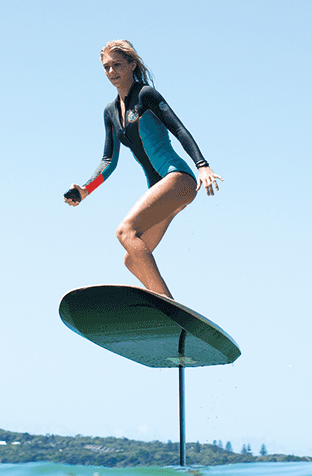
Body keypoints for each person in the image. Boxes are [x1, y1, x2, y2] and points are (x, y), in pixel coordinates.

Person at [64, 40, 221, 298]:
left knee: (125, 231)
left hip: (177, 179)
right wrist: (85, 190)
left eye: (117, 65)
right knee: (132, 259)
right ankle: (163, 307)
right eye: (106, 67)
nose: (112, 72)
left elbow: (179, 129)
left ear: (132, 64)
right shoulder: (111, 112)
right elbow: (108, 161)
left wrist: (202, 165)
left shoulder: (145, 95)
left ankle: (169, 305)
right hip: (160, 189)